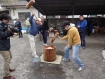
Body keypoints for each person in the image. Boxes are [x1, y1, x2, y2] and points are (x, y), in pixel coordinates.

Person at [0, 13, 15, 79]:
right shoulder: (0, 26)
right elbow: (2, 35)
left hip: (6, 45)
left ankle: (8, 69)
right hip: (2, 46)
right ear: (3, 19)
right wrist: (8, 31)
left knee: (10, 57)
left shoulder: (5, 25)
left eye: (8, 20)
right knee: (7, 60)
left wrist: (11, 33)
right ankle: (6, 75)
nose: (8, 21)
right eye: (7, 20)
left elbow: (7, 35)